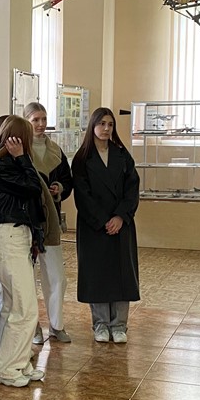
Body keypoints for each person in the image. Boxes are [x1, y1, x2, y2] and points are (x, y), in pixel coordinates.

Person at [0, 116, 47, 387]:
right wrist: (22, 158)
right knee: (24, 308)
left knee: (13, 307)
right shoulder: (2, 166)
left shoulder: (5, 164)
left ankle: (16, 362)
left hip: (16, 237)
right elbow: (33, 187)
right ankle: (5, 369)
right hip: (8, 237)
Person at [71, 107, 140, 344]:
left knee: (122, 274)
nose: (106, 128)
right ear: (93, 126)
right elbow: (82, 195)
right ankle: (100, 324)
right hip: (94, 226)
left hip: (121, 225)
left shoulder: (122, 155)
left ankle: (119, 325)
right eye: (102, 124)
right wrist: (103, 221)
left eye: (110, 124)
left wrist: (120, 217)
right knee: (97, 274)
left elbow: (132, 189)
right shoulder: (82, 159)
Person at [23, 102, 74, 345]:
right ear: (26, 121)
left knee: (57, 276)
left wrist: (59, 187)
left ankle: (56, 324)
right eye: (36, 120)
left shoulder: (55, 150)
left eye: (43, 119)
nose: (41, 124)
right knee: (26, 276)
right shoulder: (20, 150)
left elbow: (67, 180)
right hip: (27, 221)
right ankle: (33, 326)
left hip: (50, 220)